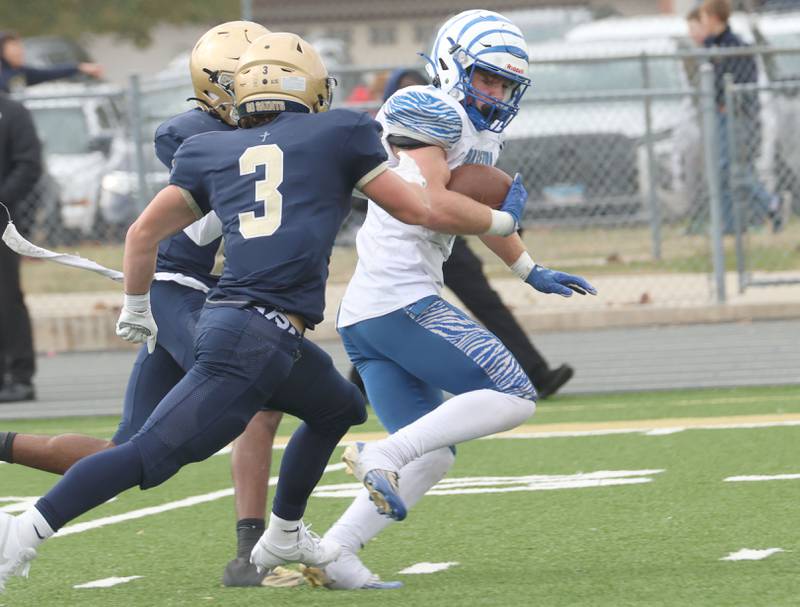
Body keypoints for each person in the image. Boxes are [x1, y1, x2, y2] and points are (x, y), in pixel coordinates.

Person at [0, 30, 530, 593]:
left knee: (338, 406)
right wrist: (502, 220)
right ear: (309, 88)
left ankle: (284, 533)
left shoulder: (207, 146)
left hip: (254, 324)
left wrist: (135, 305)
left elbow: (141, 233)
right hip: (251, 331)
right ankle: (24, 531)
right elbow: (418, 207)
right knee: (146, 455)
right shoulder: (339, 132)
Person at [0, 21, 308, 587]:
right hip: (181, 294)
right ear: (225, 84)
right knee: (255, 403)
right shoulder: (193, 134)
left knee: (125, 451)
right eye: (259, 76)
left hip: (199, 296)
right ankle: (250, 556)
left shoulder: (247, 133)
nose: (272, 88)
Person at [305, 10, 595, 591]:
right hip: (398, 300)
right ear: (451, 64)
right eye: (487, 79)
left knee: (433, 456)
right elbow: (433, 204)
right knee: (514, 394)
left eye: (506, 84)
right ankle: (381, 455)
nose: (497, 93)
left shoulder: (476, 129)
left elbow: (478, 215)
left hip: (377, 308)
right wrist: (503, 214)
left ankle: (335, 551)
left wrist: (526, 266)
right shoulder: (425, 108)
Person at [700, 0, 784, 233]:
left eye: (705, 17)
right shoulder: (709, 47)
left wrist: (731, 102)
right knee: (721, 171)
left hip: (737, 117)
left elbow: (745, 84)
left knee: (733, 168)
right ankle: (730, 225)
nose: (702, 23)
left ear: (716, 18)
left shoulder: (737, 46)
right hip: (716, 116)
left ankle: (770, 202)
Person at [0, 93, 42, 403]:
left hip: (2, 220)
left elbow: (29, 164)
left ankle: (19, 376)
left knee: (6, 297)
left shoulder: (12, 112)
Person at [0, 32, 103, 93]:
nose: (20, 51)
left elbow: (49, 73)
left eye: (19, 47)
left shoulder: (21, 72)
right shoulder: (3, 74)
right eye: (13, 47)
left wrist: (78, 67)